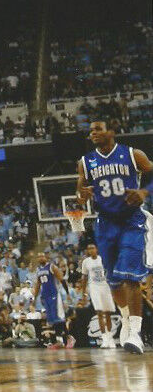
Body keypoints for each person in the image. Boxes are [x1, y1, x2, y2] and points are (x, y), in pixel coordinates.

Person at [76, 120, 153, 354]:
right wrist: (83, 195)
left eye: (98, 129)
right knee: (113, 281)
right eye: (91, 131)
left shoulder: (133, 154)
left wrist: (143, 191)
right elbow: (80, 193)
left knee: (130, 276)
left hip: (132, 221)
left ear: (111, 131)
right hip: (105, 223)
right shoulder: (85, 162)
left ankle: (136, 334)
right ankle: (127, 320)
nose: (93, 133)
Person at [31, 252, 72, 349]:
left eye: (42, 256)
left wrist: (68, 293)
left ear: (46, 257)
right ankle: (57, 341)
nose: (40, 258)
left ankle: (68, 338)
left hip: (54, 295)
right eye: (39, 256)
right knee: (52, 320)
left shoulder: (51, 267)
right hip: (45, 296)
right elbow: (38, 285)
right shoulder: (38, 270)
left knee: (59, 318)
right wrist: (35, 299)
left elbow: (62, 279)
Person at [80, 241, 116, 348]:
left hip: (105, 287)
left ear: (97, 249)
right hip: (94, 287)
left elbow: (110, 272)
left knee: (108, 312)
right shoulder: (86, 262)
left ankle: (110, 338)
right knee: (99, 312)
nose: (91, 250)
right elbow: (84, 277)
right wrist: (83, 293)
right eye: (89, 248)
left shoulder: (103, 259)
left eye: (92, 248)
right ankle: (104, 338)